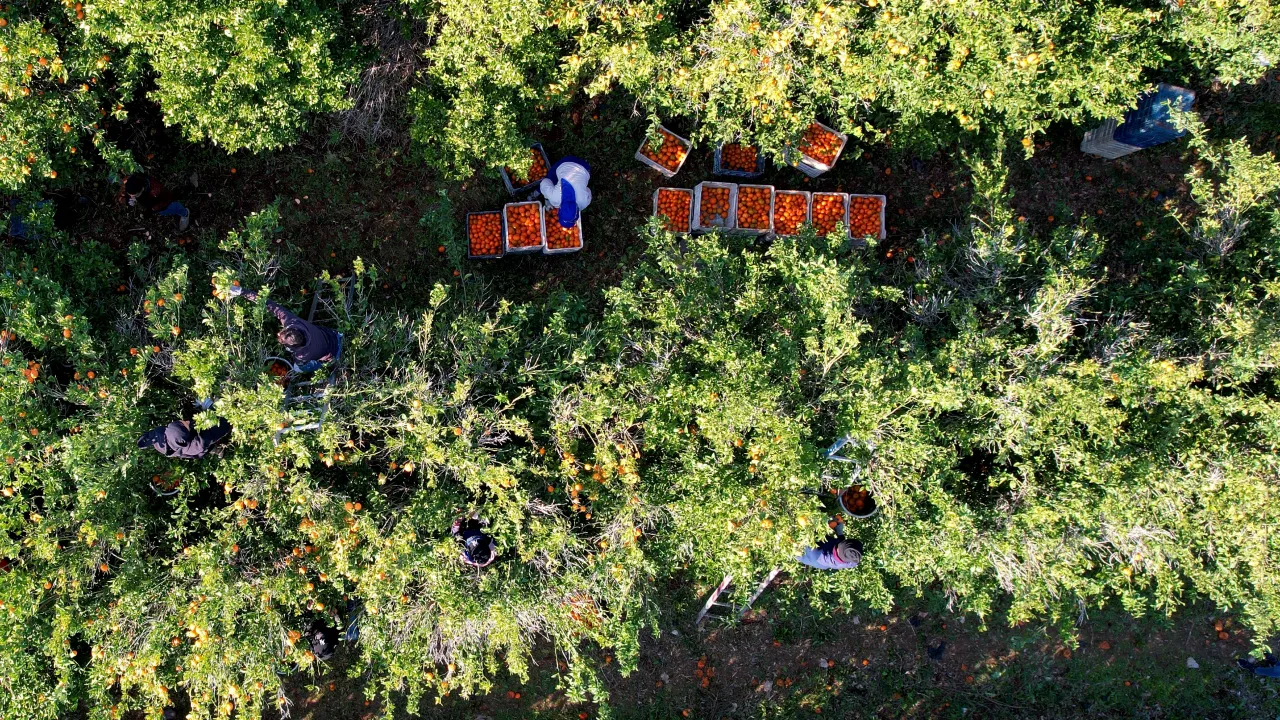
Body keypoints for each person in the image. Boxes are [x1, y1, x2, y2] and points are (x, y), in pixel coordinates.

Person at [227, 284, 341, 372]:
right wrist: (242, 291)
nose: (277, 335)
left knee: (298, 368)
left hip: (334, 351)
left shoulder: (301, 354)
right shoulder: (292, 322)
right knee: (299, 364)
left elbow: (300, 360)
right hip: (333, 335)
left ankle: (330, 362)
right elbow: (268, 304)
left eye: (281, 340)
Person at [118, 173, 190, 231]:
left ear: (142, 189)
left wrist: (149, 212)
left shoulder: (155, 191)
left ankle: (185, 213)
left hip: (163, 203)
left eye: (135, 195)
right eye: (130, 194)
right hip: (150, 200)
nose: (132, 197)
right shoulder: (131, 181)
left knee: (172, 208)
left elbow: (158, 205)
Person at [137, 417, 232, 460]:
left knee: (193, 423)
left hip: (180, 439)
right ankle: (218, 450)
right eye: (185, 424)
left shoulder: (160, 435)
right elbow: (224, 426)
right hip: (197, 448)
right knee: (207, 447)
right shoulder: (197, 444)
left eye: (182, 422)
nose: (186, 421)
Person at [538, 156, 592, 229]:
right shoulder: (554, 199)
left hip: (584, 168)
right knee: (551, 178)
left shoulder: (584, 202)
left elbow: (588, 190)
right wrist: (548, 198)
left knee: (552, 178)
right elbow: (544, 182)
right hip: (569, 163)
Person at [797, 536, 862, 571]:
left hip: (808, 555)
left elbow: (806, 537)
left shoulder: (815, 552)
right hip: (824, 564)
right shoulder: (853, 559)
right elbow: (844, 549)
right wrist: (840, 534)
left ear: (836, 549)